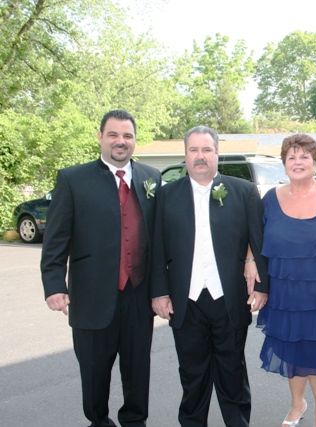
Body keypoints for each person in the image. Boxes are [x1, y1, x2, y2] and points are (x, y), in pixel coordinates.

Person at [40, 110, 161, 427]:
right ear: (100, 137)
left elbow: (161, 238)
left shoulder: (152, 178)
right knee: (94, 373)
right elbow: (56, 240)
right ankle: (98, 421)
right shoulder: (73, 179)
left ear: (134, 140)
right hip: (92, 295)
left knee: (138, 370)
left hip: (138, 295)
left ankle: (135, 421)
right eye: (113, 135)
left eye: (127, 135)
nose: (121, 141)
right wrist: (54, 285)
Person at [150, 125, 269, 427]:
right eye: (193, 150)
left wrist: (261, 286)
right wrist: (159, 292)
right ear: (185, 154)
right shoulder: (166, 195)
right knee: (192, 377)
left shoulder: (243, 191)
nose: (200, 156)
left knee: (233, 374)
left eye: (206, 149)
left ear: (217, 153)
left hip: (229, 298)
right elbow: (157, 247)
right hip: (185, 301)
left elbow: (258, 241)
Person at [251, 134, 316, 427]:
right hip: (284, 289)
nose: (298, 162)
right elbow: (253, 235)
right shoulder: (270, 198)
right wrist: (249, 261)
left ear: (315, 162)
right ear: (284, 163)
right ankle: (297, 405)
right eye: (291, 157)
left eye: (304, 156)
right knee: (291, 346)